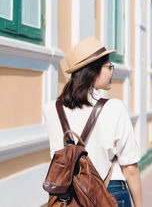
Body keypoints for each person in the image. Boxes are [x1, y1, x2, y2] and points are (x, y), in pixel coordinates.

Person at [44, 36, 143, 207]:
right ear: (93, 71)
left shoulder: (51, 108)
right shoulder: (114, 107)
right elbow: (130, 168)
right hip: (109, 192)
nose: (112, 72)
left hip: (67, 196)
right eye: (108, 67)